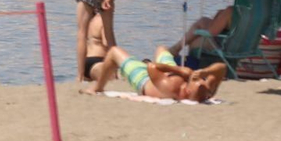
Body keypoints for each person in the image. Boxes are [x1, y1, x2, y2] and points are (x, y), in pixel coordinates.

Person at [86, 45, 227, 102]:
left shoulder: (172, 87)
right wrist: (205, 71)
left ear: (187, 91)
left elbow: (151, 67)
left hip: (145, 80)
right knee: (161, 49)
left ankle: (98, 87)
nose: (198, 79)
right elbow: (222, 68)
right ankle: (156, 62)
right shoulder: (206, 91)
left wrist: (179, 70)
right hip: (168, 72)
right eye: (200, 80)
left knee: (113, 52)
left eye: (196, 81)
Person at [169, 0, 253, 58]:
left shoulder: (231, 11)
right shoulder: (254, 12)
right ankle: (175, 49)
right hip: (246, 47)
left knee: (194, 41)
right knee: (202, 22)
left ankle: (178, 52)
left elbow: (211, 32)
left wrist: (218, 17)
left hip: (227, 48)